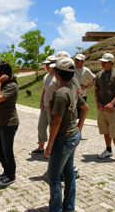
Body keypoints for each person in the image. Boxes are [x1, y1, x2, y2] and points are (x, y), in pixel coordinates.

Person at [44, 57, 89, 212]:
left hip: (63, 139)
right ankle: (69, 206)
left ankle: (56, 209)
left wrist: (49, 145)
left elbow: (56, 122)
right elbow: (85, 108)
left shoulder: (61, 93)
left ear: (57, 73)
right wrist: (79, 128)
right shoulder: (73, 89)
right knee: (68, 173)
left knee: (53, 176)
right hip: (73, 136)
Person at [95, 53, 115, 166]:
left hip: (113, 108)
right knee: (105, 130)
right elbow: (96, 90)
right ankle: (108, 150)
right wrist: (98, 103)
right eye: (102, 61)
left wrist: (112, 103)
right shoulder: (99, 75)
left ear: (111, 62)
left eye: (105, 61)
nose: (102, 63)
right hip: (101, 108)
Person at [29, 55, 59, 157]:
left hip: (53, 108)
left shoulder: (58, 77)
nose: (46, 66)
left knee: (52, 129)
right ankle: (41, 147)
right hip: (45, 107)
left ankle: (52, 150)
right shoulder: (46, 76)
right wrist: (41, 102)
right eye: (45, 64)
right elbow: (44, 90)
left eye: (48, 64)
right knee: (41, 127)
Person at [74, 53, 96, 118]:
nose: (76, 61)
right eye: (76, 59)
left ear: (83, 61)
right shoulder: (72, 69)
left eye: (79, 60)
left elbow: (95, 79)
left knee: (79, 115)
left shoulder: (86, 70)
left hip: (81, 95)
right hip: (72, 94)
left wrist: (87, 86)